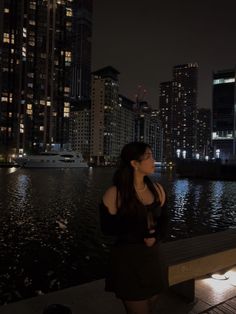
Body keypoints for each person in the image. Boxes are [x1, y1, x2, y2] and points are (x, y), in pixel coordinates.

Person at [99, 142, 168, 314]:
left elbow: (165, 222)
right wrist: (140, 233)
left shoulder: (157, 190)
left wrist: (156, 236)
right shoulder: (115, 194)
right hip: (128, 262)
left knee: (151, 305)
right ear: (134, 163)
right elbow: (107, 229)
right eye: (148, 156)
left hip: (153, 259)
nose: (153, 160)